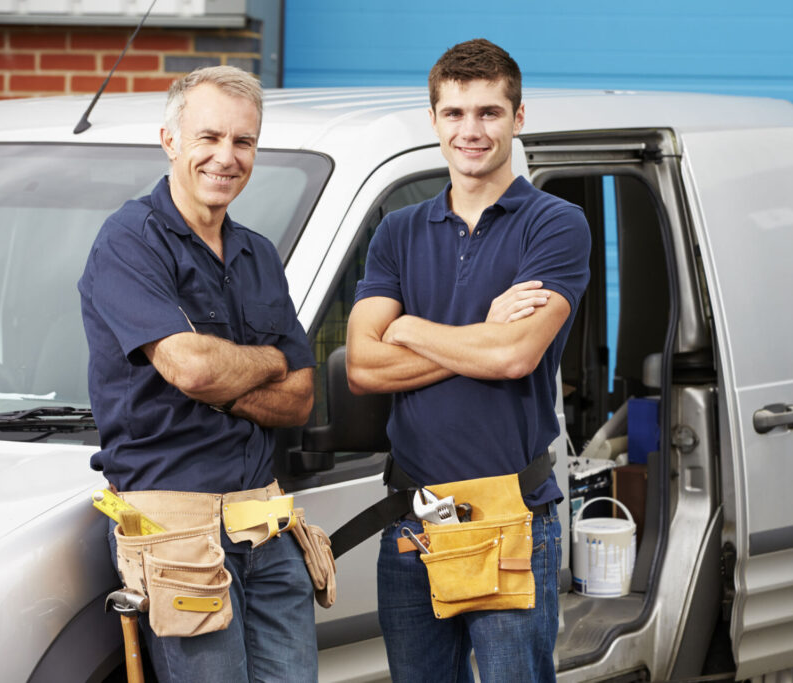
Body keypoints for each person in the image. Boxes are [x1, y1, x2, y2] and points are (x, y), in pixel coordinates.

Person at [345, 39, 591, 682]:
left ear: (518, 117)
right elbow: (363, 366)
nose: (470, 130)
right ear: (433, 119)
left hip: (511, 514)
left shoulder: (555, 224)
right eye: (454, 113)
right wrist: (480, 332)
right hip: (413, 521)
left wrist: (407, 327)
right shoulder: (398, 231)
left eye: (489, 112)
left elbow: (514, 356)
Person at [78, 66, 318, 682]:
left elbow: (299, 398)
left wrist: (227, 377)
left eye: (243, 141)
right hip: (175, 532)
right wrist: (267, 360)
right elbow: (193, 369)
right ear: (170, 140)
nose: (226, 157)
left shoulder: (258, 253)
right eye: (208, 137)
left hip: (263, 523)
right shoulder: (129, 241)